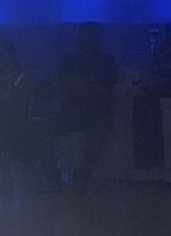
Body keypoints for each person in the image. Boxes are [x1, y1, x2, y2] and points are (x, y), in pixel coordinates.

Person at [39, 21, 120, 193]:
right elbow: (64, 86)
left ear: (98, 39)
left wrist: (82, 85)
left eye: (93, 37)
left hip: (99, 113)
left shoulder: (107, 61)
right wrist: (90, 86)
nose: (89, 40)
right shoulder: (69, 61)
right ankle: (53, 177)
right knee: (42, 129)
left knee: (98, 131)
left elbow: (109, 90)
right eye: (85, 36)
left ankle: (83, 175)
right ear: (79, 38)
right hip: (71, 113)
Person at [0, 41, 36, 194]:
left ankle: (16, 180)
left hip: (19, 121)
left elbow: (22, 107)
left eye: (2, 55)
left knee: (2, 130)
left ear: (12, 56)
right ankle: (6, 179)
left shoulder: (24, 77)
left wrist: (5, 91)